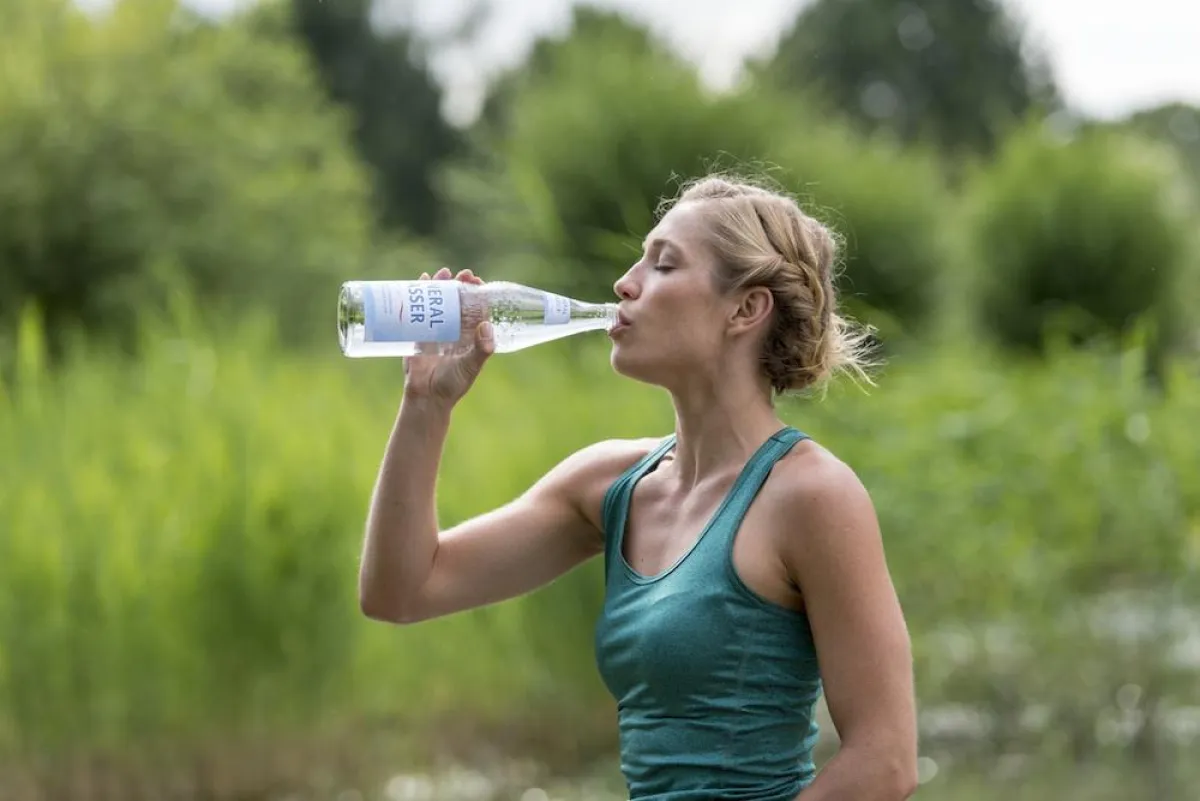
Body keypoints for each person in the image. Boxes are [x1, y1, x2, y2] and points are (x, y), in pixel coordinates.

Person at [358, 174, 918, 801]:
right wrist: (425, 404)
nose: (625, 283)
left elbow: (885, 761)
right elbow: (401, 590)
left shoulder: (811, 495)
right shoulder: (609, 486)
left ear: (745, 309)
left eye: (664, 264)